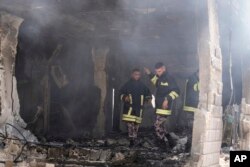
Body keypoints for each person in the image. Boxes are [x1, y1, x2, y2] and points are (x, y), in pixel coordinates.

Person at [144, 62, 180, 148]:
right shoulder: (160, 78)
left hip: (165, 107)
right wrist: (149, 74)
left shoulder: (169, 78)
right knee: (161, 126)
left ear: (164, 68)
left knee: (157, 125)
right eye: (156, 71)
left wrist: (167, 99)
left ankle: (162, 144)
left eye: (159, 71)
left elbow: (177, 91)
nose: (157, 73)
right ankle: (171, 142)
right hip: (159, 107)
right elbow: (155, 81)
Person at [120, 68, 152, 147]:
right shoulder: (127, 85)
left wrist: (148, 99)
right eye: (136, 74)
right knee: (130, 125)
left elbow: (148, 93)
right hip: (129, 109)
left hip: (139, 109)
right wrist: (124, 97)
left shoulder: (142, 86)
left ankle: (134, 139)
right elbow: (120, 93)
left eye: (139, 75)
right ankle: (131, 140)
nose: (137, 76)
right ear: (132, 74)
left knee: (136, 125)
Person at [183, 70, 199, 152]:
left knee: (191, 128)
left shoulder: (193, 78)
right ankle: (189, 147)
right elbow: (197, 88)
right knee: (191, 128)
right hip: (191, 108)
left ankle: (189, 146)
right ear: (197, 73)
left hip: (193, 108)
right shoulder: (192, 79)